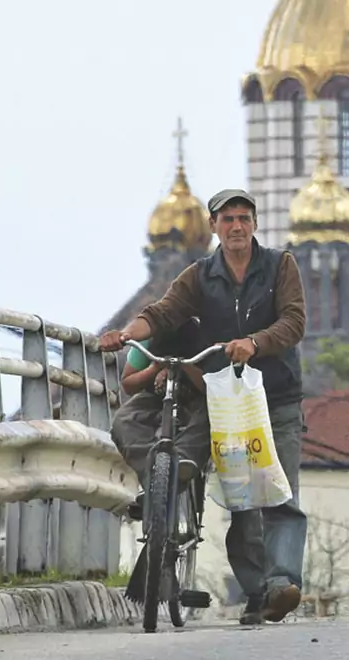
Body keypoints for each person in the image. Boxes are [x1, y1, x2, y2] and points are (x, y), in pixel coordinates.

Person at [98, 188, 309, 625]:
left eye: (243, 218)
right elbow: (161, 313)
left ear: (254, 224)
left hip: (275, 397)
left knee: (281, 497)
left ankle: (283, 583)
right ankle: (259, 593)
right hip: (230, 403)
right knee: (245, 504)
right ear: (213, 226)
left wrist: (255, 342)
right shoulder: (200, 276)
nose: (236, 226)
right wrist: (127, 332)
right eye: (227, 218)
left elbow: (293, 321)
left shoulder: (280, 266)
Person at [109, 317, 211, 518]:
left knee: (212, 415)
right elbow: (128, 383)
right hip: (156, 395)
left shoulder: (208, 332)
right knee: (123, 420)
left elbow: (211, 387)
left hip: (198, 395)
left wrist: (183, 367)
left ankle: (182, 463)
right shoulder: (148, 335)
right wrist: (155, 368)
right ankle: (155, 478)